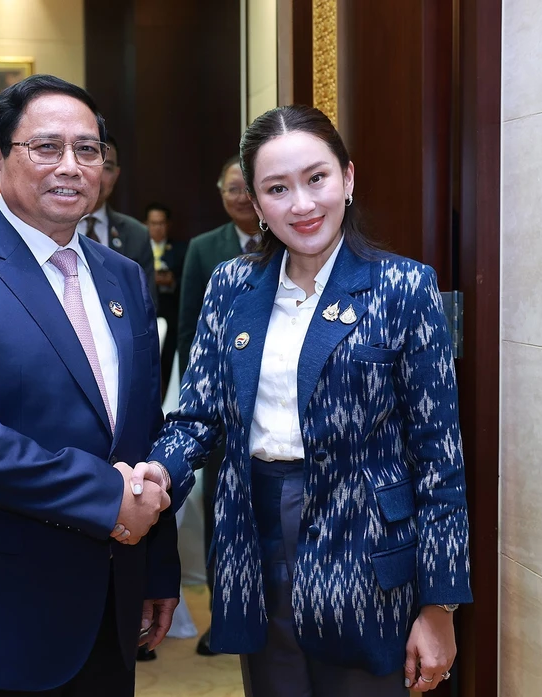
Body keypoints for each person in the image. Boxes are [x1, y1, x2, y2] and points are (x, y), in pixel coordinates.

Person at [123, 105, 473, 696]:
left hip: (369, 554)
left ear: (349, 178)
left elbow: (440, 458)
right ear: (256, 205)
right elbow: (198, 415)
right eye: (277, 189)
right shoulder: (231, 286)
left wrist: (440, 605)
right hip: (252, 538)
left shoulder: (404, 287)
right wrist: (157, 472)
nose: (303, 205)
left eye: (317, 179)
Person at [0, 74, 178, 697]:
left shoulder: (125, 277)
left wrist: (156, 567)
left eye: (88, 149)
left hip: (108, 604)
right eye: (46, 147)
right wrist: (108, 497)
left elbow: (141, 431)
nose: (70, 167)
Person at [175, 154, 260, 656]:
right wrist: (206, 398)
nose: (241, 198)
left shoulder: (287, 241)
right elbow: (190, 331)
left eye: (248, 189)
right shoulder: (206, 250)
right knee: (217, 512)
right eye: (231, 189)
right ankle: (221, 614)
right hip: (220, 412)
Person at [76, 135, 157, 306]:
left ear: (117, 174)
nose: (99, 176)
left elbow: (147, 304)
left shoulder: (137, 234)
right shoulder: (50, 227)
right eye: (90, 163)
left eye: (107, 168)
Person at [145, 202, 186, 401]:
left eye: (161, 223)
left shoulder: (180, 249)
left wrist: (171, 280)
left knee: (169, 359)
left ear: (167, 225)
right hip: (146, 312)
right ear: (146, 225)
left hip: (171, 312)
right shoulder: (140, 247)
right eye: (153, 223)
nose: (157, 228)